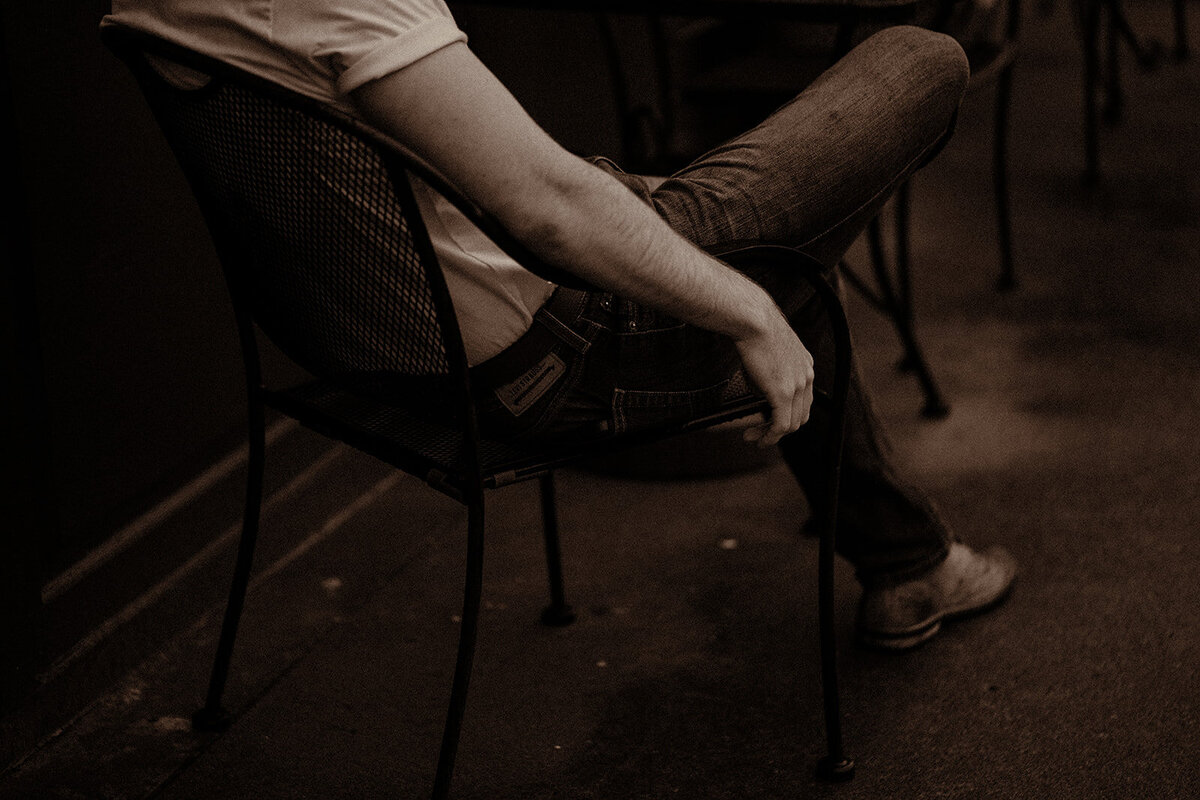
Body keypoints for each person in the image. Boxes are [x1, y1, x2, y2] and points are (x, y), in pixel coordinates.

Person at [103, 0, 1016, 650]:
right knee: (919, 60)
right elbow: (546, 210)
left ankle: (905, 558)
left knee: (763, 245)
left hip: (380, 349)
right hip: (564, 349)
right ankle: (905, 559)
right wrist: (751, 312)